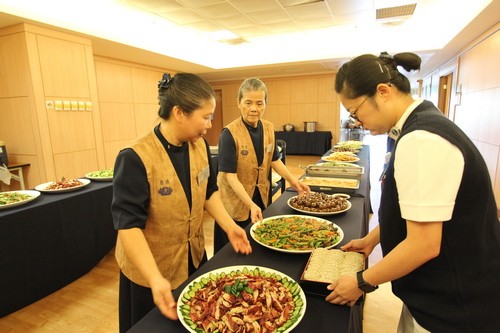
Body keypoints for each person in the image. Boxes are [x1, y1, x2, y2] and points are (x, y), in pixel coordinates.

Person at [326, 52, 500, 332]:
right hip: (440, 294)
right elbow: (419, 207)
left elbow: (424, 243)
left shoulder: (421, 140)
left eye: (356, 112)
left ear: (383, 92)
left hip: (453, 306)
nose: (357, 122)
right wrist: (374, 238)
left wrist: (361, 281)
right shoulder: (418, 126)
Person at [111, 73, 252, 333]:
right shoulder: (135, 157)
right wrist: (155, 279)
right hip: (150, 273)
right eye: (206, 116)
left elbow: (209, 193)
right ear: (179, 112)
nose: (210, 124)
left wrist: (230, 226)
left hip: (192, 257)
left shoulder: (199, 147)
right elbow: (128, 227)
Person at [214, 77, 310, 253]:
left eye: (259, 103)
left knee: (259, 244)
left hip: (260, 195)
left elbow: (273, 160)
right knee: (232, 253)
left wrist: (293, 181)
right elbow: (230, 176)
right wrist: (250, 204)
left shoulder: (268, 127)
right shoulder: (229, 134)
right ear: (239, 102)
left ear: (265, 103)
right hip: (235, 202)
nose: (254, 109)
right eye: (248, 102)